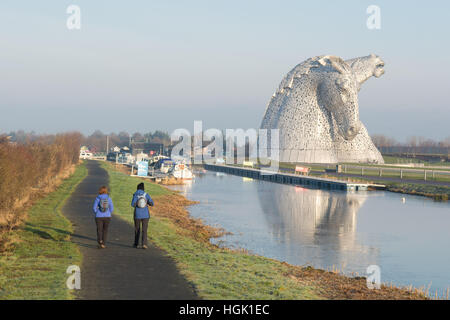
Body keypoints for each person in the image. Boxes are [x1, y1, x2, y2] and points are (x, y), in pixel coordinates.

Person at [131, 182, 154, 249]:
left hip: (137, 215)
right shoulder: (146, 194)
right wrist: (148, 203)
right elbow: (152, 203)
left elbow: (132, 204)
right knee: (144, 230)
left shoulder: (135, 194)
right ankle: (144, 244)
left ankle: (136, 244)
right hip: (145, 215)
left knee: (137, 229)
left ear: (137, 188)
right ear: (143, 188)